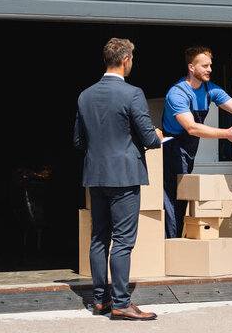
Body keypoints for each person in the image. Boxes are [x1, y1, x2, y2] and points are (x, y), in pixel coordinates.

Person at [74, 38, 163, 320]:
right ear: (125, 61)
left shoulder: (85, 95)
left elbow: (78, 141)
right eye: (132, 59)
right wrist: (157, 136)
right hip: (124, 176)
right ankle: (122, 303)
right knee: (123, 241)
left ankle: (100, 300)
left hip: (96, 176)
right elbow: (148, 137)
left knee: (100, 237)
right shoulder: (132, 93)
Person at [162, 46, 232, 238]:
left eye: (210, 65)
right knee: (173, 200)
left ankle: (180, 241)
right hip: (172, 150)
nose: (209, 69)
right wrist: (226, 134)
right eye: (204, 66)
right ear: (191, 67)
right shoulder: (177, 93)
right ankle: (171, 243)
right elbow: (192, 128)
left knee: (183, 198)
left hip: (189, 149)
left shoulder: (210, 89)